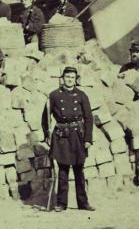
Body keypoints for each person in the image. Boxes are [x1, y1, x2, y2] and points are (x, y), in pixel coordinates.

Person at [42, 67, 94, 212]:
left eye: (72, 77)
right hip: (62, 136)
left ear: (75, 79)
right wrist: (47, 135)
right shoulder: (54, 96)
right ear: (62, 78)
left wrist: (88, 139)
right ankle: (61, 203)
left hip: (78, 135)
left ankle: (83, 203)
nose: (69, 79)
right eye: (67, 77)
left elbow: (89, 118)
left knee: (79, 170)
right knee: (63, 170)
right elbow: (45, 117)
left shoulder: (82, 95)